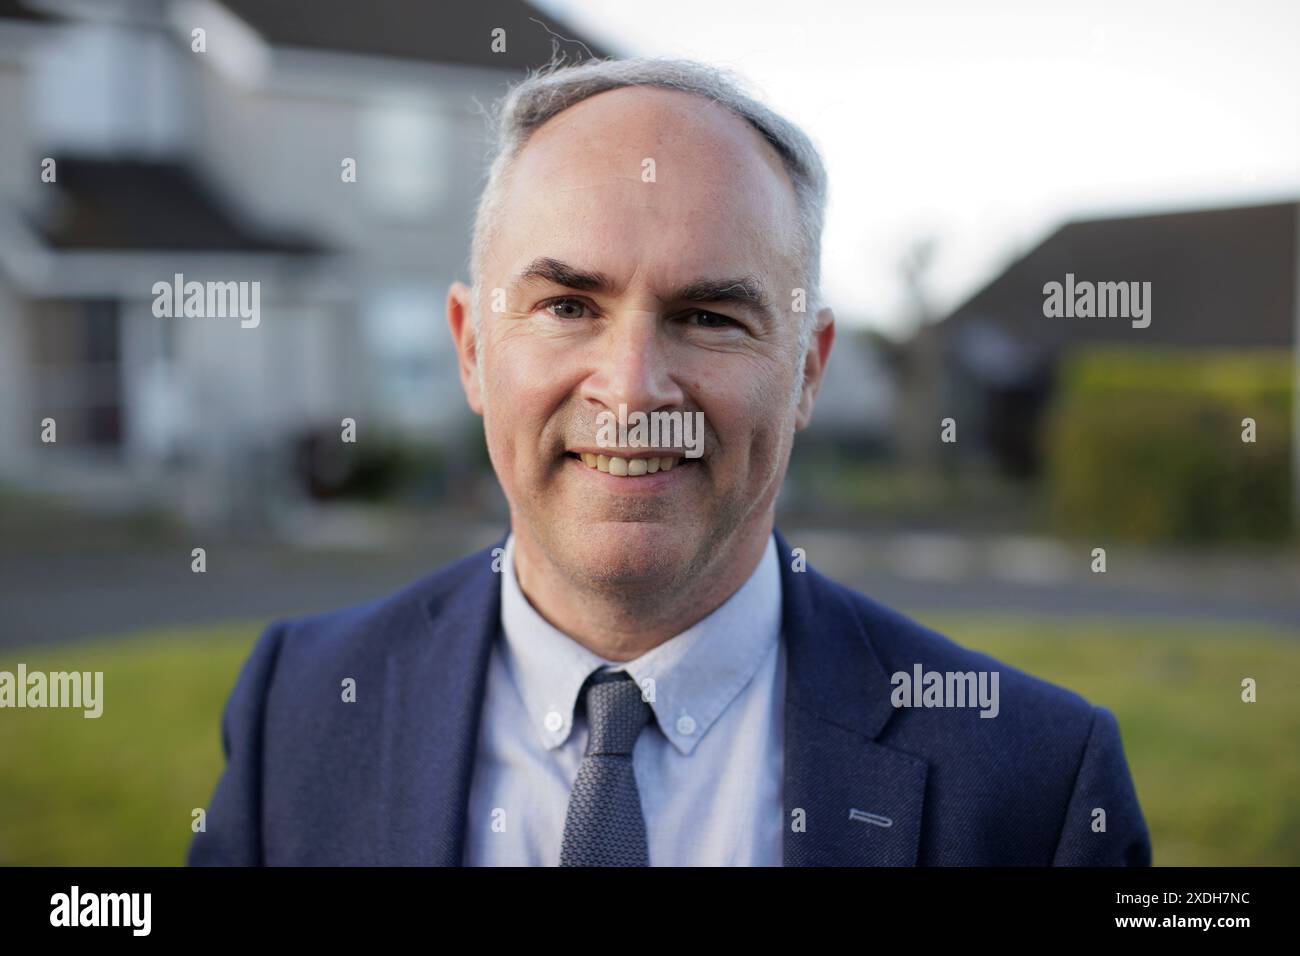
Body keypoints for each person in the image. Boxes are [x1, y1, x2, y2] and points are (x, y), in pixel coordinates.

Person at [188, 56, 1151, 867]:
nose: (634, 387)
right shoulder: (301, 707)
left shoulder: (1034, 781)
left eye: (707, 317)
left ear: (807, 371)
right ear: (472, 348)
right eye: (568, 306)